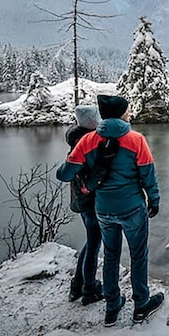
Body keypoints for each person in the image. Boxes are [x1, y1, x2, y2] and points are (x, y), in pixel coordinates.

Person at [56, 95, 163, 327]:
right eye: (128, 110)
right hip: (132, 208)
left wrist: (80, 162)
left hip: (103, 210)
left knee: (111, 256)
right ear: (122, 113)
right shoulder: (136, 139)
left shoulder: (87, 141)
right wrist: (154, 200)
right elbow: (148, 176)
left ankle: (112, 307)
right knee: (138, 256)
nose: (130, 113)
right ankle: (141, 305)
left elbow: (64, 174)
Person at [62, 105, 104, 306]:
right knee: (94, 244)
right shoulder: (86, 143)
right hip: (90, 202)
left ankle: (77, 284)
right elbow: (89, 175)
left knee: (91, 242)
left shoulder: (76, 140)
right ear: (91, 121)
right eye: (96, 117)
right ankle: (89, 289)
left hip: (81, 201)